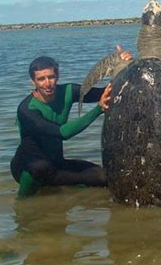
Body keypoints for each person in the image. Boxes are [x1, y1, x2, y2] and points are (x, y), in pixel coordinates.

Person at [10, 46, 132, 198]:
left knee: (103, 178)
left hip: (56, 164)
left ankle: (60, 192)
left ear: (57, 76)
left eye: (51, 77)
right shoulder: (27, 109)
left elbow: (107, 92)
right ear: (32, 81)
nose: (47, 83)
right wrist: (98, 109)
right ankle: (21, 201)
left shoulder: (68, 91)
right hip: (26, 167)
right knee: (40, 167)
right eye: (41, 79)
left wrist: (123, 66)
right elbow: (63, 133)